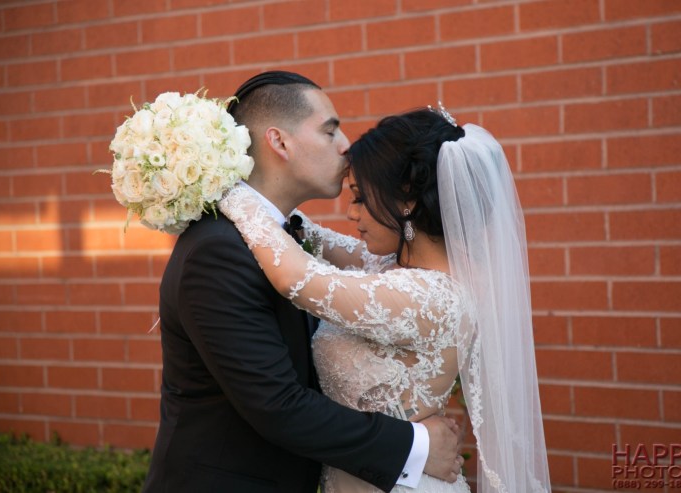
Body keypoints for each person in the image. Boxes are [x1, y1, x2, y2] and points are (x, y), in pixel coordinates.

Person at [142, 72, 462, 493]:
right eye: (330, 130)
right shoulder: (218, 249)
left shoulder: (283, 238)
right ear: (279, 142)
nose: (346, 145)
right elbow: (276, 404)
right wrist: (414, 446)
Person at [219, 108, 552, 492]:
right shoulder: (389, 266)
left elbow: (296, 276)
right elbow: (311, 236)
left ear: (407, 199)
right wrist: (268, 190)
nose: (351, 213)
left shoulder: (430, 298)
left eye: (360, 198)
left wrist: (224, 188)